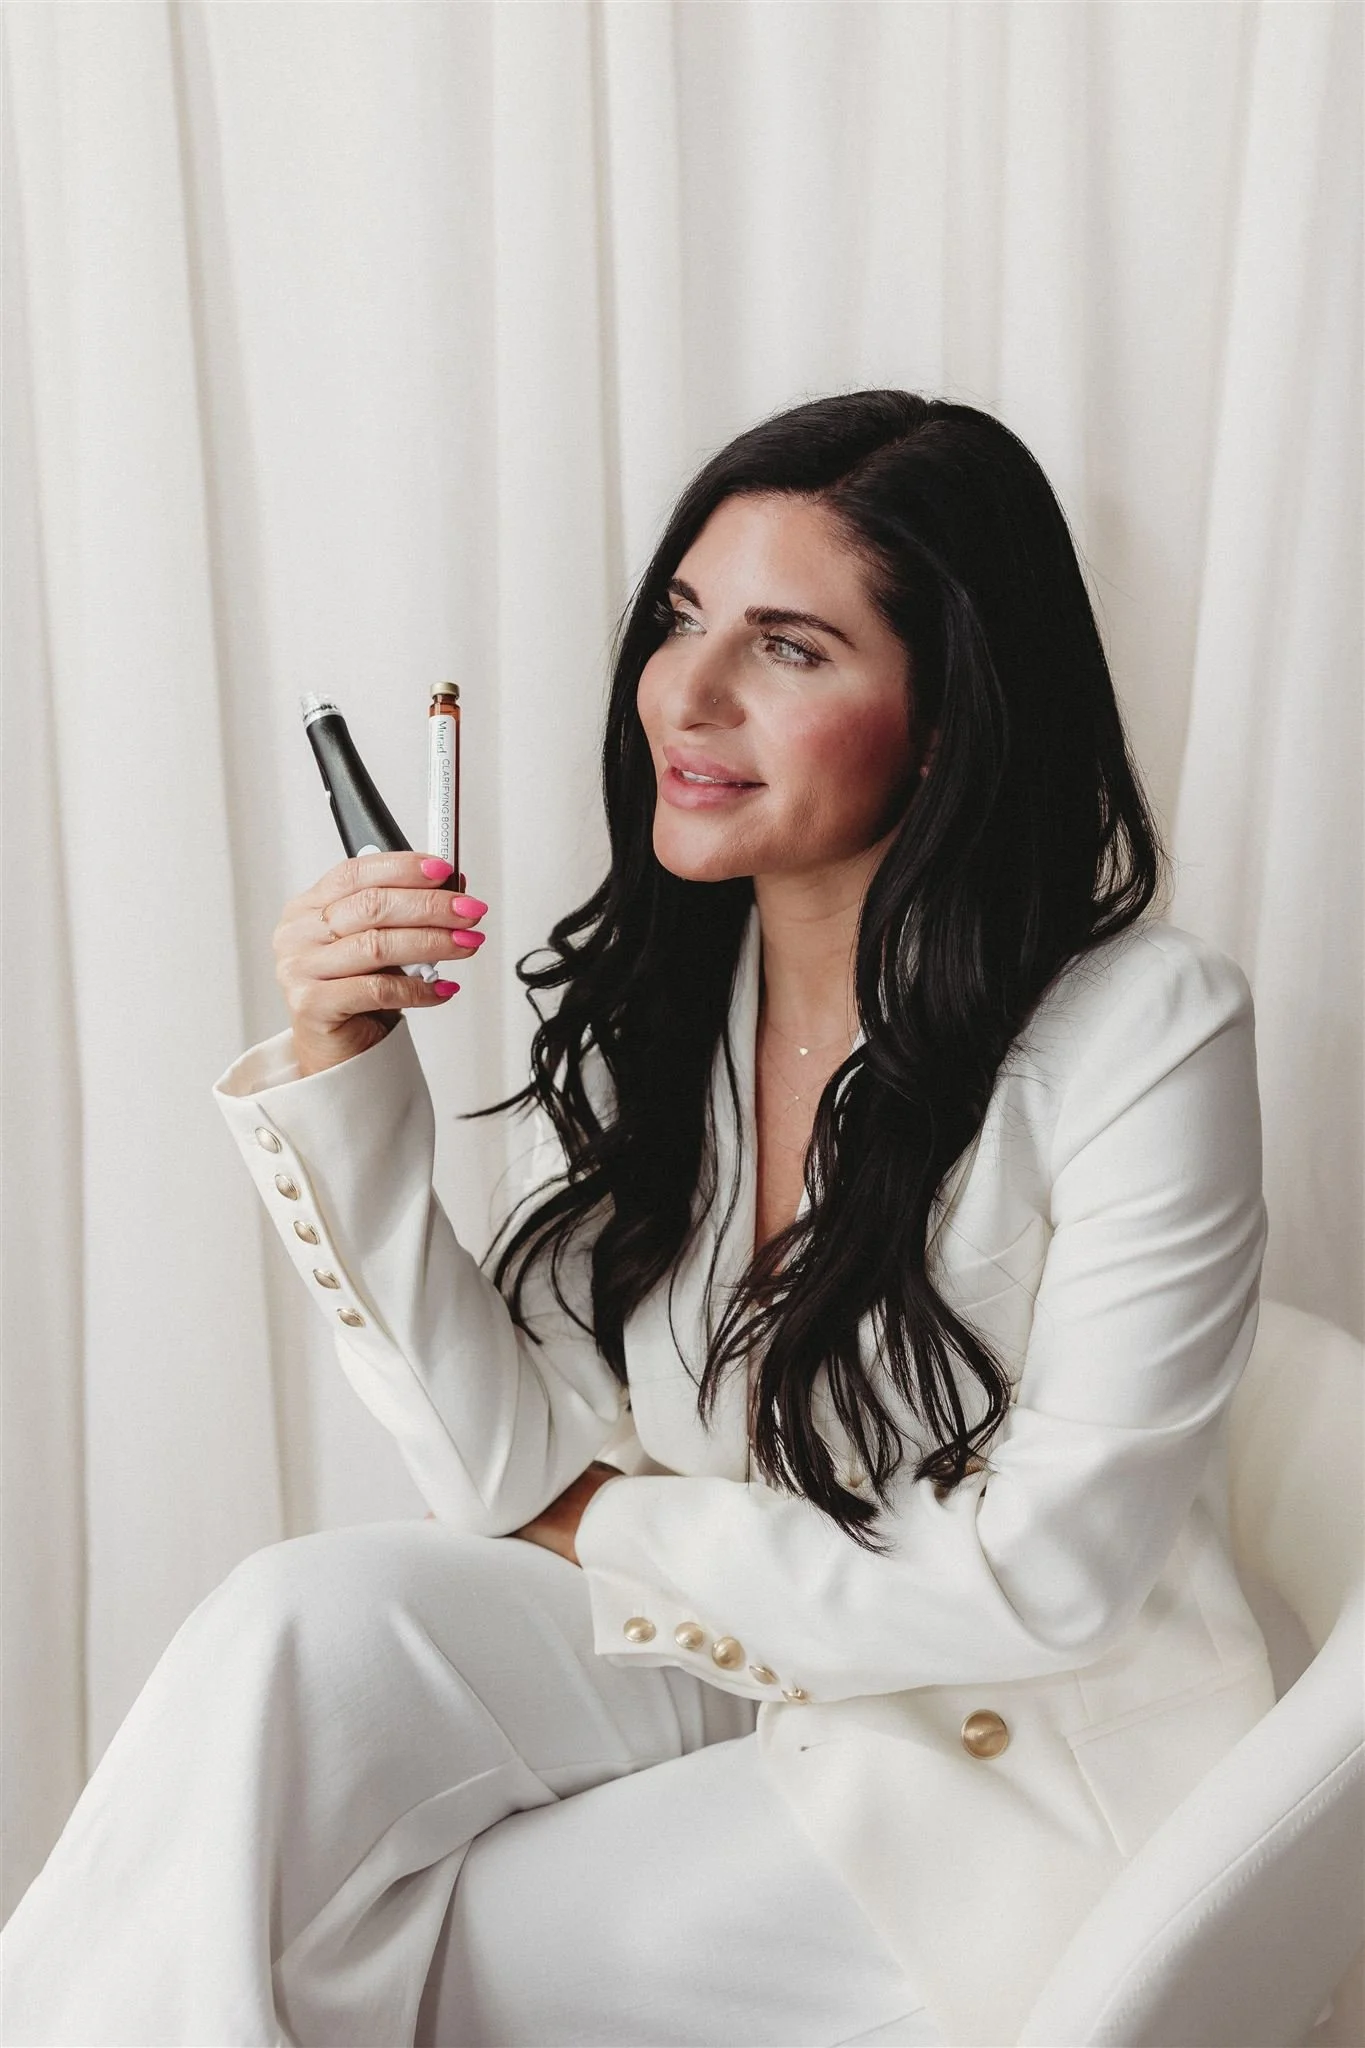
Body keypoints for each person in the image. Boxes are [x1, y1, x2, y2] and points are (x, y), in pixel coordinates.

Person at [1, 392, 1277, 2048]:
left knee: (388, 1951)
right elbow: (499, 1468)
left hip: (999, 1760)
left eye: (791, 647)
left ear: (948, 717)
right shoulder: (676, 998)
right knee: (283, 1636)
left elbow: (1045, 1584)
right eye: (682, 619)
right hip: (741, 1667)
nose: (688, 691)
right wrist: (345, 1061)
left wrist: (601, 1523)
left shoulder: (1148, 1035)